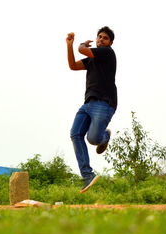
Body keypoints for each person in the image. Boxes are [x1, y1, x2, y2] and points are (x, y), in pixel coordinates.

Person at [66, 26, 117, 193]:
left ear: (110, 43)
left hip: (104, 103)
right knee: (75, 134)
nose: (101, 40)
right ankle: (87, 175)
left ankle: (105, 136)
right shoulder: (92, 59)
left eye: (105, 38)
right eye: (99, 37)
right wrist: (69, 45)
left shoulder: (107, 53)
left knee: (93, 139)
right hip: (87, 104)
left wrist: (80, 45)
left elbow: (82, 50)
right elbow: (73, 66)